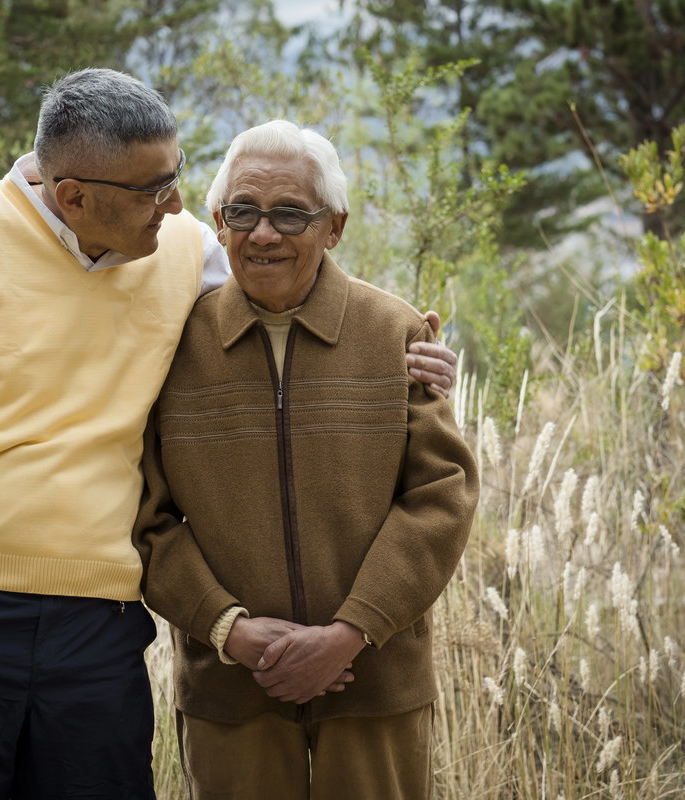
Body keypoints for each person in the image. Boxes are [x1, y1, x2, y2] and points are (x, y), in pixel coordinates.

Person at [0, 69, 459, 798]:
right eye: (153, 189)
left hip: (97, 628)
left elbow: (292, 273)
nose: (179, 204)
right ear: (74, 197)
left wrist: (413, 348)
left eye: (178, 177)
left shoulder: (185, 247)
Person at [133, 119, 480, 800]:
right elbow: (145, 518)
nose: (264, 233)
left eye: (291, 212)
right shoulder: (172, 348)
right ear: (218, 222)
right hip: (231, 691)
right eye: (244, 212)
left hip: (376, 684)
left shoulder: (396, 335)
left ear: (334, 226)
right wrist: (233, 633)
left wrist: (350, 633)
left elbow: (441, 496)